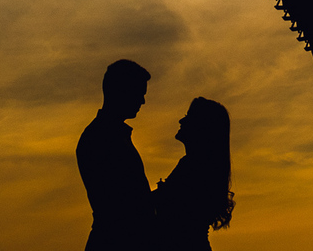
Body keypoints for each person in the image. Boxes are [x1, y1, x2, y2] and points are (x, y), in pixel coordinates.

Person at [76, 59, 155, 251]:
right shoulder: (102, 138)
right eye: (139, 93)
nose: (143, 101)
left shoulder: (107, 135)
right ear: (122, 91)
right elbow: (123, 203)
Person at [153, 97, 235, 250]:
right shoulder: (197, 167)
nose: (181, 121)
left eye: (188, 117)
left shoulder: (193, 169)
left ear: (202, 127)